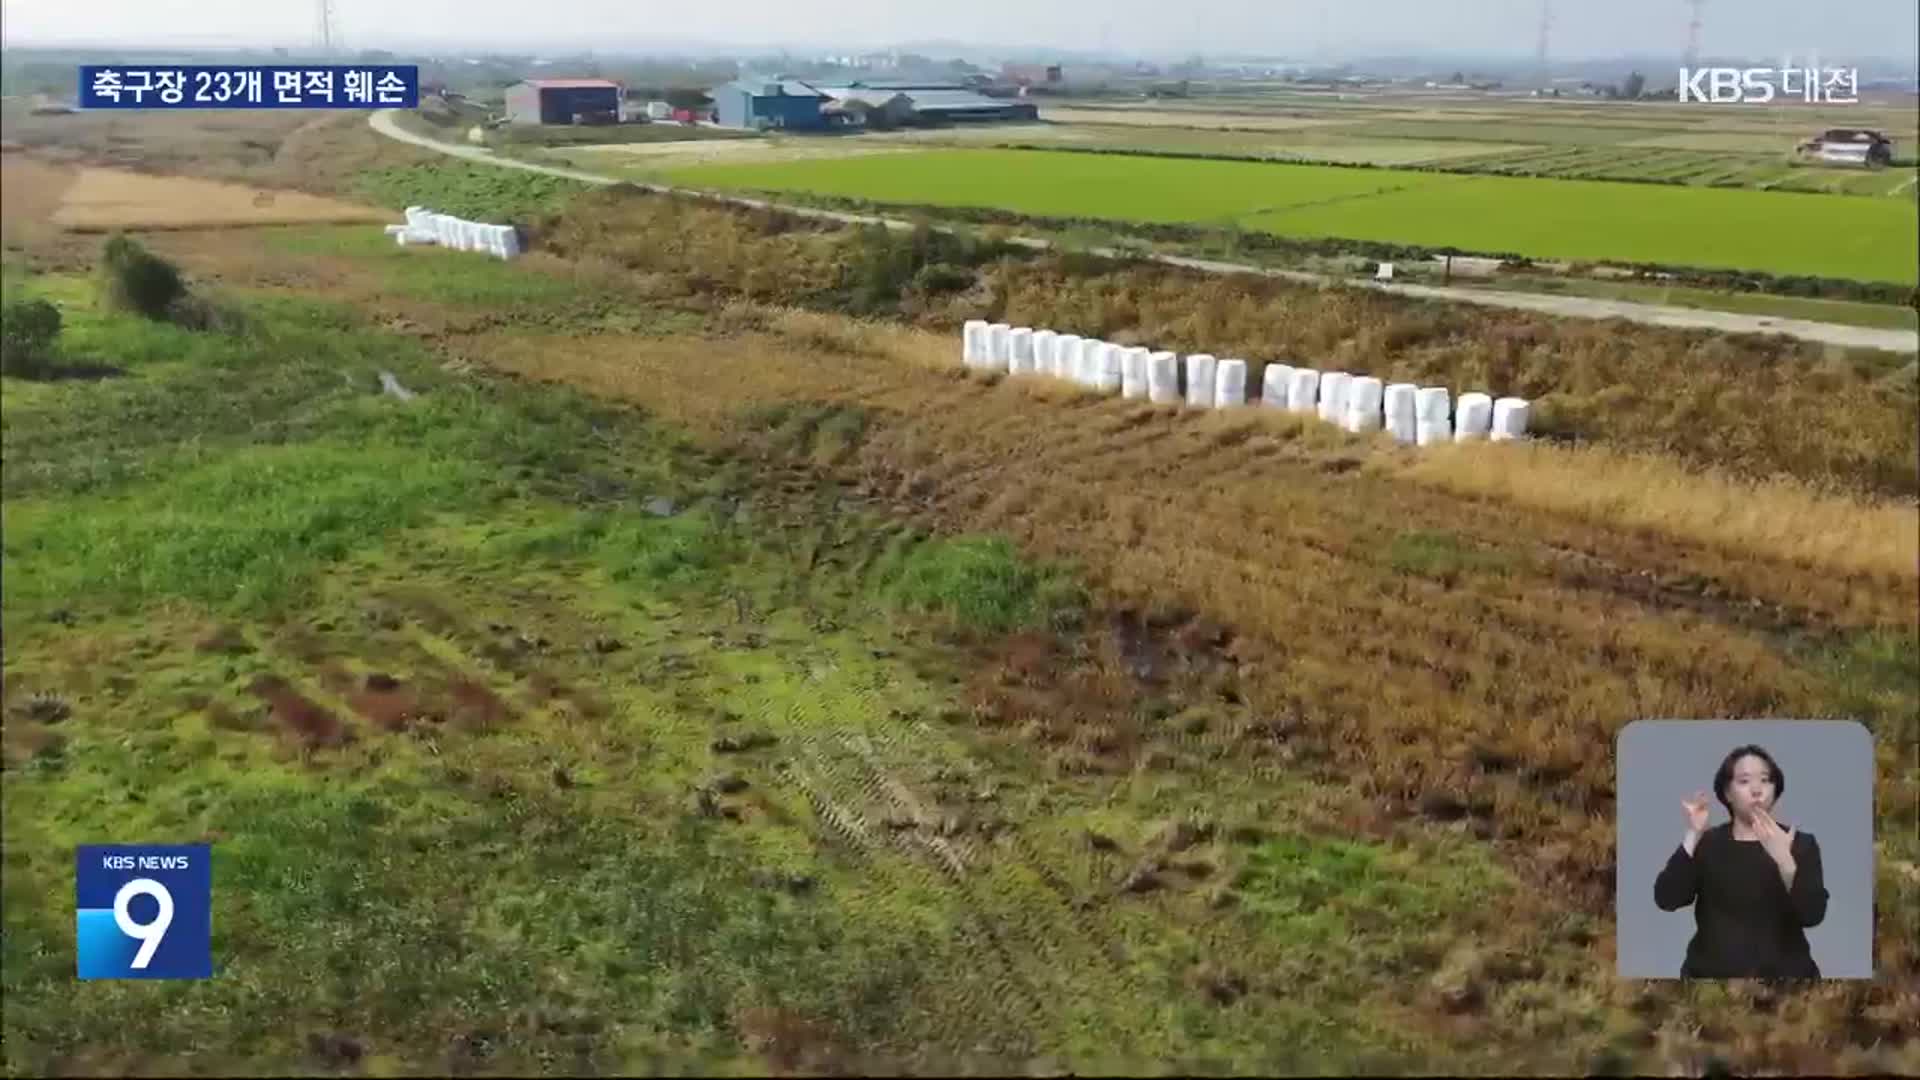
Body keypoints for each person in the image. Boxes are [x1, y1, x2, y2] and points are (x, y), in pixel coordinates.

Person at [1653, 744, 1828, 978]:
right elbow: (1667, 898)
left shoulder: (1800, 844)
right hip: (1710, 980)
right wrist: (1694, 833)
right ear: (1727, 793)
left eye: (1765, 780)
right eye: (1744, 781)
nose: (1757, 790)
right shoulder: (1709, 844)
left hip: (1786, 981)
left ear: (1776, 789)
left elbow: (1813, 915)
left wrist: (1787, 863)